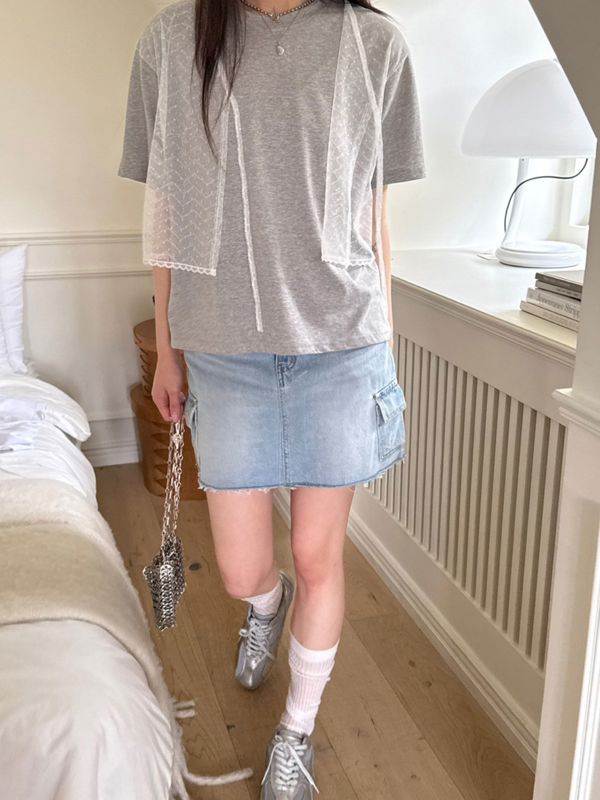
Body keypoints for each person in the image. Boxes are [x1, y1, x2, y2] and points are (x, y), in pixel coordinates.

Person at [118, 0, 425, 795]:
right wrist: (168, 349)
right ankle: (265, 608)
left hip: (341, 347)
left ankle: (297, 731)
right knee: (240, 569)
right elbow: (167, 213)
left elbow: (374, 213)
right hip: (226, 352)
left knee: (320, 555)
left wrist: (384, 347)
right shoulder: (173, 40)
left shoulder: (374, 43)